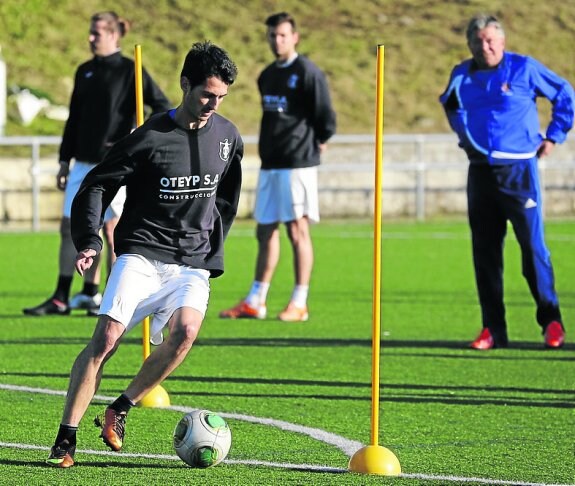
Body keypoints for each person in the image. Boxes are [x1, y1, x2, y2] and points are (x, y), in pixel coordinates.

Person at [45, 41, 243, 468]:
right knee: (106, 340)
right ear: (185, 84)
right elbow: (97, 184)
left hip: (191, 262)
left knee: (186, 332)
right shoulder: (149, 137)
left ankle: (119, 408)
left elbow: (227, 198)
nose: (213, 103)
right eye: (206, 93)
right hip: (141, 256)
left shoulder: (228, 137)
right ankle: (67, 437)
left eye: (221, 96)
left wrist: (212, 247)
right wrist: (89, 240)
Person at [439, 14, 574, 350]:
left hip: (518, 171)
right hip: (480, 172)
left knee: (532, 248)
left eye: (491, 40)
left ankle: (551, 320)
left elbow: (564, 93)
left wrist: (554, 136)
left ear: (502, 41)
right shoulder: (461, 75)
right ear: (469, 44)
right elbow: (449, 105)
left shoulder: (523, 68)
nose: (485, 47)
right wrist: (465, 136)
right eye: (478, 41)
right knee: (485, 253)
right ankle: (493, 329)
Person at [24, 11, 171, 317]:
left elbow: (162, 106)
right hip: (82, 164)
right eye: (90, 33)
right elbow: (73, 118)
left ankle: (111, 296)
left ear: (114, 35)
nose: (91, 38)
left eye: (97, 33)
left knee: (111, 229)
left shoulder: (132, 70)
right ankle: (63, 297)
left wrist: (136, 136)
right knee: (69, 227)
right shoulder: (85, 71)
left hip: (115, 165)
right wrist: (64, 160)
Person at [219, 12, 336, 323]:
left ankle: (300, 301)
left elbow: (326, 118)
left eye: (283, 35)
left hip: (298, 163)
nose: (277, 40)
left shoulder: (308, 72)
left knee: (297, 230)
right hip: (271, 163)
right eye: (272, 35)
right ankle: (256, 299)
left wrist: (317, 142)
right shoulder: (267, 75)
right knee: (264, 229)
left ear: (295, 37)